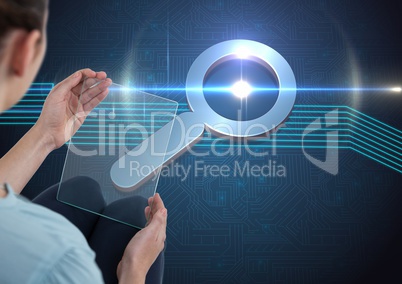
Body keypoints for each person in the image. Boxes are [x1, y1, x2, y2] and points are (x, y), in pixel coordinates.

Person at [0, 1, 167, 283]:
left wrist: (46, 134)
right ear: (24, 49)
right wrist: (134, 269)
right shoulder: (61, 258)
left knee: (83, 189)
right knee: (133, 213)